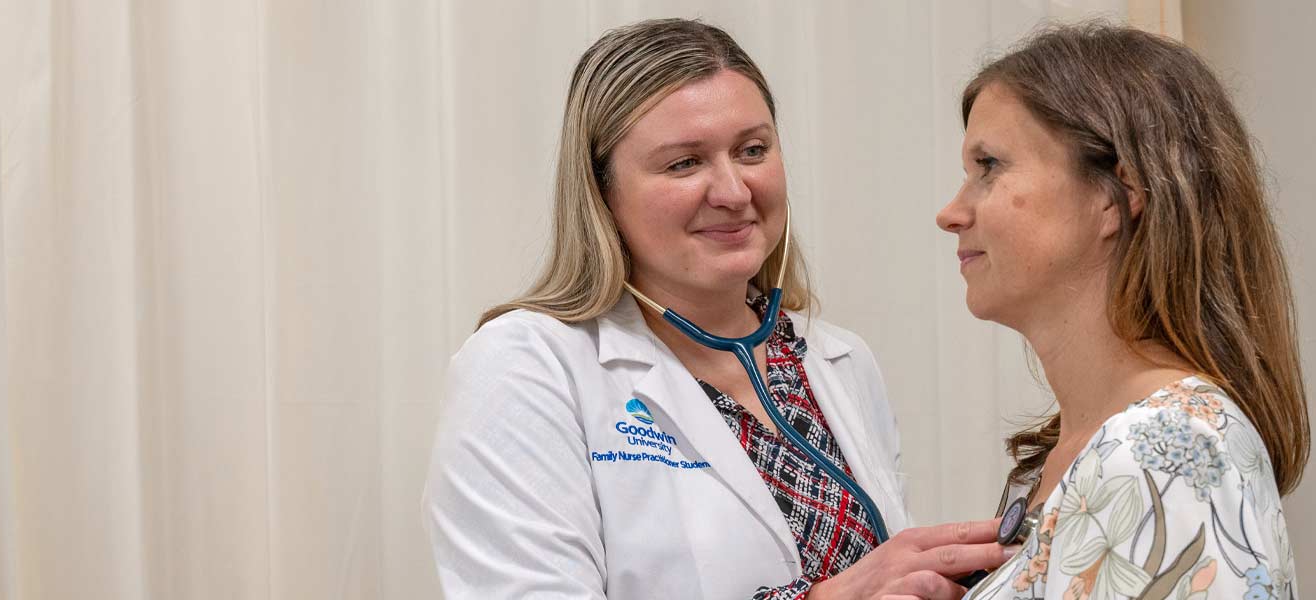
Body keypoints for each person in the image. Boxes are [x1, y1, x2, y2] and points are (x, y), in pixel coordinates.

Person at [425, 18, 1007, 600]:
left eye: (752, 150)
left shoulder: (841, 361)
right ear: (602, 193)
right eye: (684, 163)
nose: (732, 191)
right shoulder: (527, 368)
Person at [935, 22, 1310, 600]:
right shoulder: (1093, 448)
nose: (952, 213)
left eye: (989, 166)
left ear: (1117, 195)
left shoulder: (1166, 450)